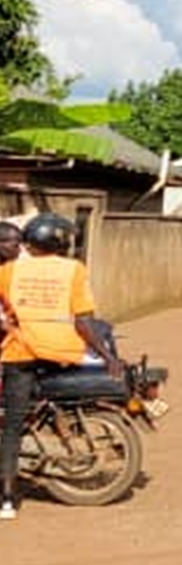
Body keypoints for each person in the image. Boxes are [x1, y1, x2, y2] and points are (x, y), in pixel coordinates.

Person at [0, 213, 118, 520]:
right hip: (61, 351)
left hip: (21, 354)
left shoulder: (10, 271)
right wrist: (107, 357)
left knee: (12, 425)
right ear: (61, 242)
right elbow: (83, 322)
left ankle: (8, 499)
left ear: (29, 243)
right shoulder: (74, 270)